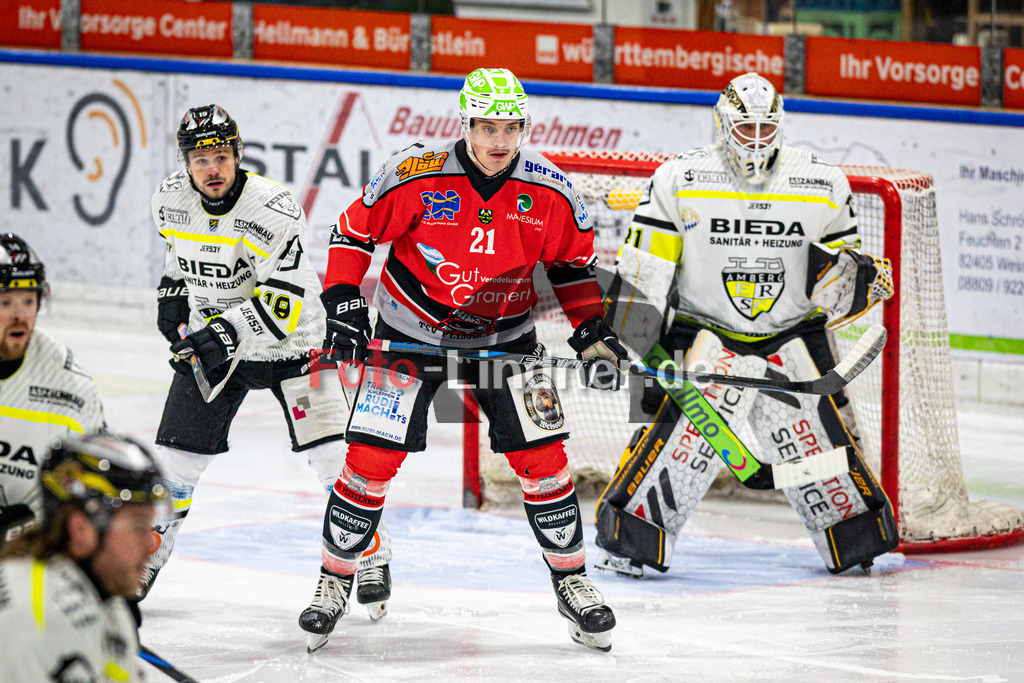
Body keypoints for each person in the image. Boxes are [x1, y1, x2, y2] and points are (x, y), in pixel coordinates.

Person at [299, 67, 629, 654]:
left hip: (506, 340)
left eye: (511, 126)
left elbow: (572, 268)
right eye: (486, 126)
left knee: (545, 462)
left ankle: (573, 583)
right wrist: (344, 302)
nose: (499, 139)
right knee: (369, 461)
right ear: (466, 123)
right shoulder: (416, 175)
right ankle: (333, 580)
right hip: (408, 334)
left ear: (524, 126)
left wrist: (590, 329)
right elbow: (352, 232)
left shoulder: (551, 189)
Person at [595, 72, 898, 578]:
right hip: (701, 330)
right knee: (674, 442)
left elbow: (833, 286)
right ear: (722, 124)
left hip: (794, 334)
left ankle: (856, 539)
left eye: (765, 129)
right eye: (744, 128)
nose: (755, 140)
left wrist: (856, 280)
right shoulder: (680, 178)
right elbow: (645, 271)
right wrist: (631, 342)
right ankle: (630, 541)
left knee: (823, 448)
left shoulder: (822, 183)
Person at [145, 104, 392, 620]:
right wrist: (172, 295)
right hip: (217, 341)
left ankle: (370, 552)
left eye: (219, 156)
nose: (210, 168)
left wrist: (217, 334)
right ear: (185, 163)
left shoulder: (273, 209)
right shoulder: (168, 199)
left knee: (333, 461)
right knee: (176, 459)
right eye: (199, 158)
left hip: (295, 343)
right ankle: (150, 552)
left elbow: (285, 300)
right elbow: (177, 252)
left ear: (237, 154)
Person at [0, 432, 168, 681]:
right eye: (136, 526)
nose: (150, 545)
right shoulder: (37, 623)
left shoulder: (106, 604)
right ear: (80, 530)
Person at [0, 233, 106, 548]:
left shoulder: (68, 387)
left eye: (28, 300)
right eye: (5, 301)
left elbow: (94, 493)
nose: (20, 315)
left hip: (34, 550)